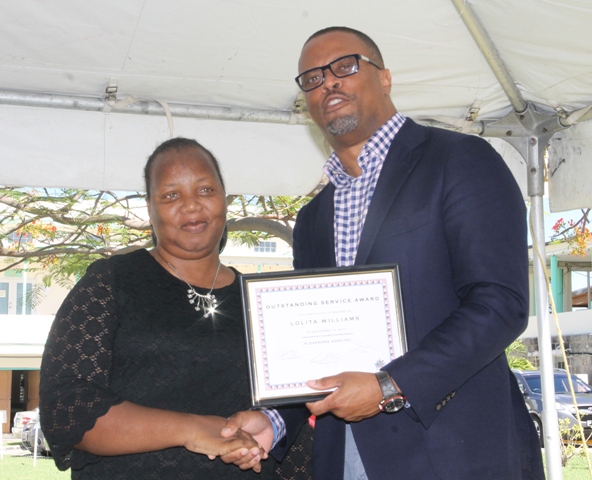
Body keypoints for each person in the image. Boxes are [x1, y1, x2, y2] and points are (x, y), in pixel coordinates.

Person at [223, 26, 545, 479]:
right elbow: (312, 351)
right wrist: (274, 421)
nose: (328, 82)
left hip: (456, 453)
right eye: (311, 79)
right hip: (348, 457)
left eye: (344, 66)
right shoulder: (315, 216)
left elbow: (499, 303)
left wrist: (389, 386)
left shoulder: (460, 160)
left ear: (385, 76)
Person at [39, 137, 276, 479]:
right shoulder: (111, 282)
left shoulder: (262, 301)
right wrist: (193, 430)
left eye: (206, 190)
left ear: (226, 199)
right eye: (171, 195)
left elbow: (292, 422)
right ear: (150, 208)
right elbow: (67, 409)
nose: (192, 206)